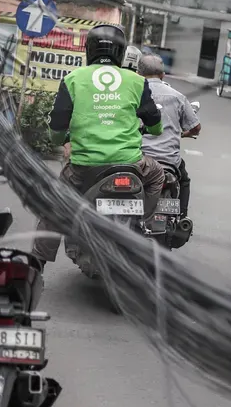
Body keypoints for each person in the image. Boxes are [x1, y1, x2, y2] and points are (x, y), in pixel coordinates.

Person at [32, 25, 166, 263]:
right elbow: (155, 124)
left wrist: (62, 140)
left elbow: (56, 128)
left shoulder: (73, 79)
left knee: (54, 204)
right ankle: (144, 221)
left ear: (89, 50)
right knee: (157, 176)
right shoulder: (136, 81)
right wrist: (150, 128)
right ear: (121, 52)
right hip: (132, 165)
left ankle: (37, 262)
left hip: (84, 168)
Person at [137, 54, 201, 215]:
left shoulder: (132, 94)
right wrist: (183, 134)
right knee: (184, 179)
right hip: (169, 161)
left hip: (137, 158)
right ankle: (183, 216)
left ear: (138, 74)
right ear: (163, 75)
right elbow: (196, 127)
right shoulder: (177, 96)